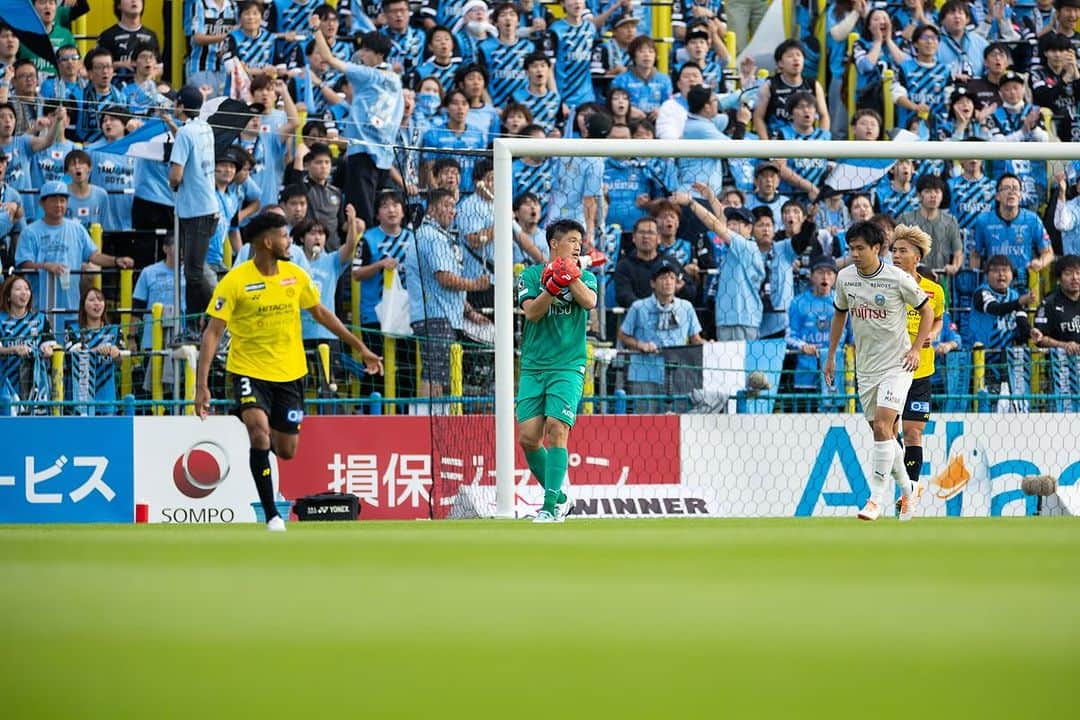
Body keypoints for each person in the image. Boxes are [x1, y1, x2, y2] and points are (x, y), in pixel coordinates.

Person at [196, 211, 382, 532]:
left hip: (290, 374)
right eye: (284, 236)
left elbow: (322, 313)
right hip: (248, 370)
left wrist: (360, 347)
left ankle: (266, 449)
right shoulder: (235, 281)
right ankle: (271, 515)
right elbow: (212, 333)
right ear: (267, 242)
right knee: (258, 432)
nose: (289, 241)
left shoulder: (295, 275)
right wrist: (202, 386)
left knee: (286, 450)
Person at [824, 220, 933, 522]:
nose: (855, 254)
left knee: (886, 425)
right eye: (851, 249)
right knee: (883, 433)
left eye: (860, 248)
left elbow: (927, 311)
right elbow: (839, 316)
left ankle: (875, 500)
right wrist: (831, 355)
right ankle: (908, 495)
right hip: (866, 368)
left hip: (897, 365)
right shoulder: (845, 278)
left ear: (876, 248)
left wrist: (914, 349)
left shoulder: (896, 278)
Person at [515, 218, 598, 523]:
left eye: (580, 241)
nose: (578, 246)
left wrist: (570, 276)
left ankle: (549, 507)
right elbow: (533, 313)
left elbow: (589, 302)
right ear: (554, 243)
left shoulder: (586, 277)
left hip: (568, 364)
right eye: (572, 240)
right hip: (534, 366)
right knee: (527, 438)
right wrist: (552, 285)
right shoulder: (530, 275)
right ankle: (562, 497)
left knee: (557, 428)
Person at [311, 22, 403, 228]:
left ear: (379, 54)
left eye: (367, 50)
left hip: (363, 154)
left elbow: (327, 58)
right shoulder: (395, 80)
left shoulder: (367, 75)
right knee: (377, 214)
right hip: (384, 158)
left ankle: (360, 257)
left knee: (359, 216)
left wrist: (316, 30)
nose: (362, 54)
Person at [14, 180, 133, 334]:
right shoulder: (30, 232)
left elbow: (93, 255)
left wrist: (116, 261)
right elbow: (24, 264)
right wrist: (46, 266)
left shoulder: (77, 229)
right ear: (42, 203)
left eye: (62, 200)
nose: (59, 205)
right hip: (40, 306)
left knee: (70, 349)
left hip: (71, 306)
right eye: (53, 200)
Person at [888, 225, 945, 519]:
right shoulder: (885, 286)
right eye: (894, 250)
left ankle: (908, 495)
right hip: (891, 369)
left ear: (917, 256)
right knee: (888, 433)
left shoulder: (934, 290)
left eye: (902, 251)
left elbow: (937, 320)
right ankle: (900, 486)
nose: (896, 256)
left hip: (921, 370)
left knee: (913, 433)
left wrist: (932, 333)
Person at [617, 259, 703, 413]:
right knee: (645, 421)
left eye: (671, 278)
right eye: (663, 278)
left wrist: (709, 345)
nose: (668, 282)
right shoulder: (639, 307)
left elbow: (695, 338)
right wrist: (640, 345)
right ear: (652, 283)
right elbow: (623, 335)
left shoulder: (686, 307)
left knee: (676, 420)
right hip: (644, 373)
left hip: (677, 374)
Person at [169, 85, 218, 334]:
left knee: (193, 273)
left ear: (180, 105)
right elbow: (187, 142)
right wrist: (170, 123)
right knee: (194, 270)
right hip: (207, 208)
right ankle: (201, 320)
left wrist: (171, 181)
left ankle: (205, 317)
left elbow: (176, 175)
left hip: (195, 211)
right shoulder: (204, 128)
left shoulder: (185, 134)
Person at [786, 255, 839, 411]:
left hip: (837, 369)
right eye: (820, 272)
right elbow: (789, 335)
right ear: (811, 276)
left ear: (835, 277)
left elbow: (851, 335)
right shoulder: (798, 302)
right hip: (805, 370)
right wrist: (803, 346)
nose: (825, 277)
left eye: (830, 273)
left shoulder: (841, 301)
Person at [0, 274, 55, 411]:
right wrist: (12, 350)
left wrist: (48, 349)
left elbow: (50, 343)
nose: (24, 293)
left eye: (27, 289)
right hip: (6, 381)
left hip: (35, 383)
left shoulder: (40, 319)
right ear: (8, 295)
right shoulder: (1, 319)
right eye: (18, 289)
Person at [67, 286, 123, 416]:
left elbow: (121, 361)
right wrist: (95, 350)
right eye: (92, 300)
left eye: (100, 299)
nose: (97, 303)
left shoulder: (114, 330)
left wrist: (116, 353)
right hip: (80, 396)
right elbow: (72, 356)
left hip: (107, 398)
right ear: (83, 305)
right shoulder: (73, 329)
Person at [898, 174, 963, 275]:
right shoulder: (906, 219)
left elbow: (958, 251)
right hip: (913, 276)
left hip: (941, 277)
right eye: (928, 191)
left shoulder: (950, 221)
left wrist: (954, 266)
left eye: (937, 191)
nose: (933, 195)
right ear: (919, 195)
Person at [1031, 255, 1080, 353]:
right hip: (1060, 364)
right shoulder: (1049, 304)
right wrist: (1065, 345)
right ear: (1059, 279)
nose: (1075, 278)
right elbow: (1040, 339)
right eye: (1068, 274)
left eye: (1078, 273)